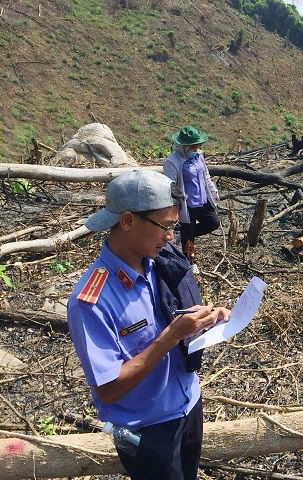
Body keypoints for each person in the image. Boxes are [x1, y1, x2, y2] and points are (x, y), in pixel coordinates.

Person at [67, 169, 230, 480]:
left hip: (188, 405)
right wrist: (170, 337)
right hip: (148, 432)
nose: (171, 236)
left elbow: (175, 317)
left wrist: (204, 321)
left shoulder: (161, 263)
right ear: (128, 221)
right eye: (165, 227)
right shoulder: (91, 300)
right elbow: (109, 389)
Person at [163, 126, 220, 271]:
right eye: (193, 146)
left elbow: (205, 175)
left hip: (202, 199)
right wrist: (173, 206)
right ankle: (189, 261)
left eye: (197, 146)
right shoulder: (172, 161)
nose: (196, 148)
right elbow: (170, 186)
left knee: (213, 222)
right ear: (184, 146)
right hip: (187, 204)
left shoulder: (198, 155)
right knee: (188, 238)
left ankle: (186, 234)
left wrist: (213, 192)